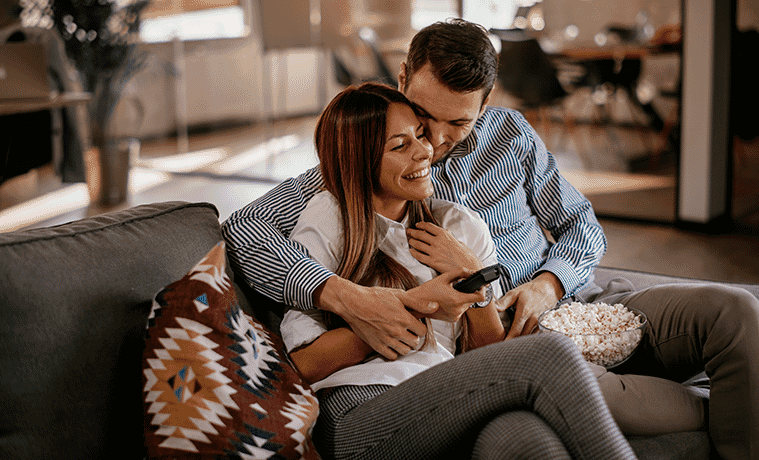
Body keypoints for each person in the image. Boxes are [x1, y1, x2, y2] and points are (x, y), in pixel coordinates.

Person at [223, 19, 759, 459]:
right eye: (422, 115)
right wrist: (351, 297)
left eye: (455, 123)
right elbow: (241, 229)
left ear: (487, 100)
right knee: (537, 409)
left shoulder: (512, 137)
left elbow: (580, 224)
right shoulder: (357, 170)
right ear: (404, 76)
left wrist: (549, 284)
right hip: (494, 352)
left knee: (736, 309)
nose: (430, 142)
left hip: (573, 308)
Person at [279, 81, 636, 459]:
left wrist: (474, 278)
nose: (425, 152)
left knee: (525, 437)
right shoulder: (329, 219)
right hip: (360, 412)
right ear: (360, 162)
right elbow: (305, 364)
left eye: (420, 136)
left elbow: (484, 349)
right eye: (400, 146)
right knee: (551, 353)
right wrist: (415, 306)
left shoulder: (460, 225)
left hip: (442, 393)